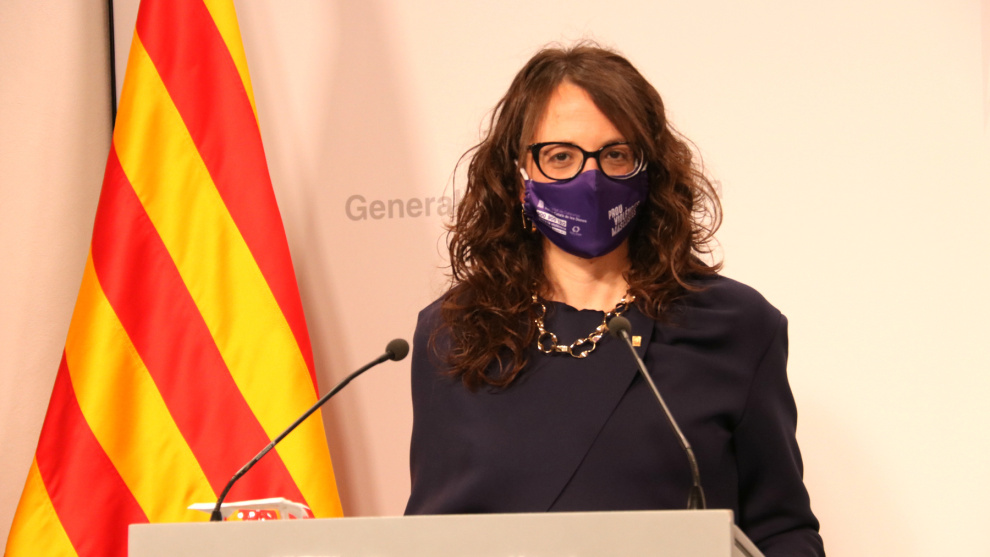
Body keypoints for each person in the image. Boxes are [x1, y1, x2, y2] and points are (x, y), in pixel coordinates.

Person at [404, 42, 825, 556]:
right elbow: (430, 534)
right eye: (560, 157)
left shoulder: (735, 324)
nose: (592, 179)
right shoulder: (455, 330)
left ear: (648, 170)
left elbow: (782, 530)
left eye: (616, 155)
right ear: (517, 177)